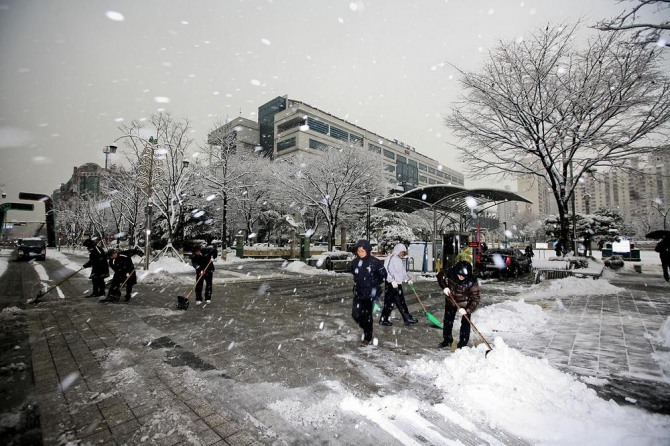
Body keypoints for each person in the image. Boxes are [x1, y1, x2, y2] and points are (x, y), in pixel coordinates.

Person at [436, 260, 481, 349]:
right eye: (460, 275)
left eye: (464, 276)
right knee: (448, 321)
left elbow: (475, 299)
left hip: (465, 303)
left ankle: (463, 344)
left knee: (465, 323)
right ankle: (447, 340)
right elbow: (440, 276)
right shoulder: (451, 272)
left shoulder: (472, 282)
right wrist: (445, 287)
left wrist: (467, 310)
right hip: (451, 300)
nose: (461, 277)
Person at [351, 239, 386, 347]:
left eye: (362, 251)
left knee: (367, 316)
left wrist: (374, 284)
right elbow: (355, 275)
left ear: (367, 250)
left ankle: (367, 337)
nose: (360, 253)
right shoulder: (355, 262)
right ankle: (366, 327)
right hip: (359, 292)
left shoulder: (375, 262)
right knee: (355, 314)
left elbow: (383, 276)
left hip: (370, 293)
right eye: (358, 251)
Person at [379, 243, 418, 326]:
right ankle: (405, 318)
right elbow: (386, 270)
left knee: (398, 302)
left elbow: (402, 272)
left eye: (404, 252)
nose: (402, 254)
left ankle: (405, 318)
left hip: (397, 284)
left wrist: (408, 279)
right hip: (391, 284)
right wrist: (392, 280)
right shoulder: (391, 258)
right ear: (397, 251)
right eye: (402, 252)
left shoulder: (398, 259)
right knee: (392, 303)